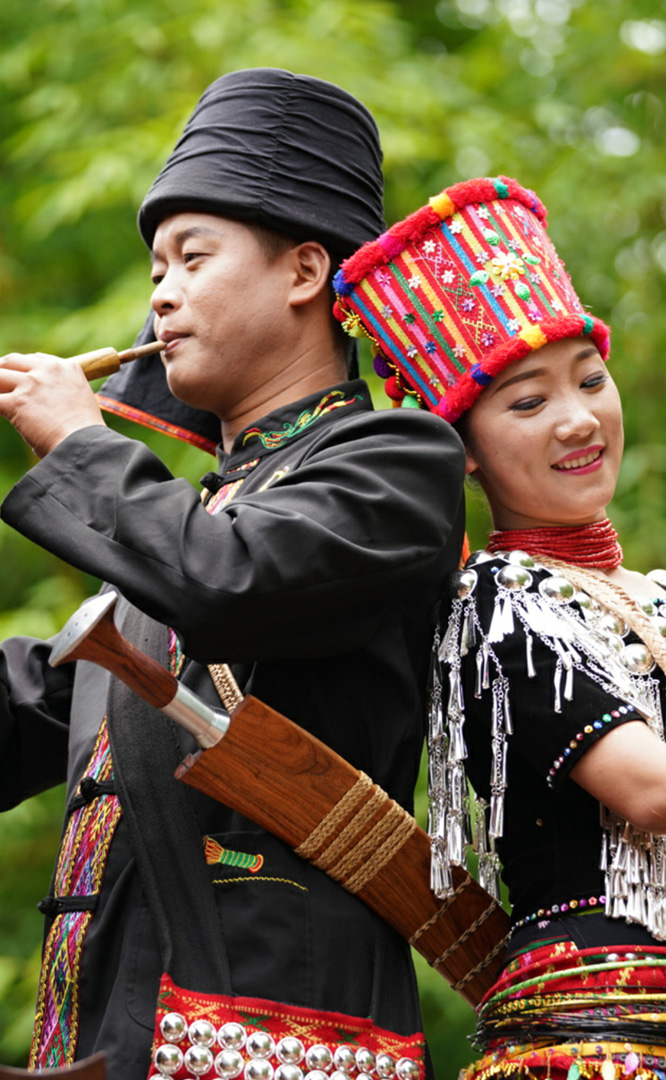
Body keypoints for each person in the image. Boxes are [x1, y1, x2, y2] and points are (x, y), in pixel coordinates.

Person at [0, 70, 466, 1077]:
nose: (160, 292)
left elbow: (230, 583)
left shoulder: (397, 464)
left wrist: (80, 444)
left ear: (305, 271)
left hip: (277, 1035)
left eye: (192, 256)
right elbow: (34, 699)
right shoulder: (185, 529)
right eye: (155, 267)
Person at [333, 175, 666, 1080]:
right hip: (598, 1038)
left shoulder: (653, 597)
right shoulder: (497, 604)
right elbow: (647, 788)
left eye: (591, 380)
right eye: (528, 403)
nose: (578, 419)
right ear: (466, 452)